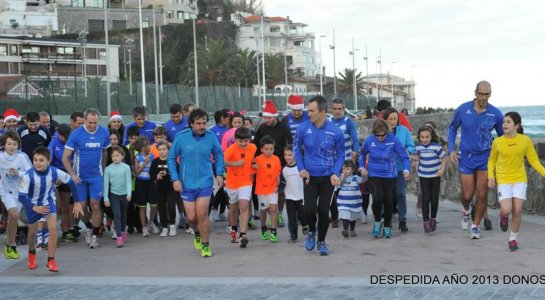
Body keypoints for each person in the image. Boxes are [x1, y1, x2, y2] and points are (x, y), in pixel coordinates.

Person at [448, 81, 503, 239]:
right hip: (467, 157)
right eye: (481, 93)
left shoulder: (496, 114)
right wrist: (452, 149)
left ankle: (475, 225)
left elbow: (502, 137)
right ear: (475, 93)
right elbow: (452, 128)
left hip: (485, 158)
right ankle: (466, 210)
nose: (484, 97)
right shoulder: (463, 109)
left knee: (481, 193)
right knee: (467, 195)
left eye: (487, 94)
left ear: (490, 94)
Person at [168, 108, 224, 257]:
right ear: (191, 123)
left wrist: (219, 173)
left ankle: (206, 245)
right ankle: (197, 233)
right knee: (191, 218)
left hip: (205, 182)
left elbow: (219, 154)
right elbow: (171, 158)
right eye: (198, 123)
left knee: (202, 214)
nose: (201, 126)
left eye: (204, 123)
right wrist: (175, 179)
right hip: (186, 184)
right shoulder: (181, 137)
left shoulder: (211, 137)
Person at [294, 95, 345, 255]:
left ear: (322, 112)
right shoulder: (303, 128)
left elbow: (341, 155)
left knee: (324, 211)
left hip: (328, 177)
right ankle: (311, 232)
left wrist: (336, 172)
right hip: (309, 177)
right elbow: (296, 149)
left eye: (311, 110)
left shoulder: (336, 132)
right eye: (308, 110)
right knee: (309, 210)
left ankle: (321, 241)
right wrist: (301, 168)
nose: (308, 113)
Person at [488, 112, 545, 251]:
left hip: (519, 178)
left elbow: (533, 160)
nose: (504, 124)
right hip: (503, 178)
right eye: (503, 122)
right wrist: (491, 176)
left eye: (508, 122)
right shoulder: (498, 141)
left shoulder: (525, 140)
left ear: (517, 125)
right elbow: (492, 160)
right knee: (507, 209)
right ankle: (503, 215)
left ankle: (513, 239)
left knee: (518, 210)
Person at [19, 146, 81, 272]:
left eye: (41, 160)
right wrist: (34, 207)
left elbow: (70, 182)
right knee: (32, 233)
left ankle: (51, 260)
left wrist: (77, 202)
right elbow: (21, 197)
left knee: (53, 230)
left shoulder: (54, 171)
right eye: (35, 160)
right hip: (33, 205)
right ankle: (31, 254)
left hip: (48, 203)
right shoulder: (28, 175)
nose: (37, 163)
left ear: (48, 161)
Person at [62, 108, 111, 249]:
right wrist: (72, 174)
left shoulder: (103, 132)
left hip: (96, 176)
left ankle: (95, 235)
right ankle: (89, 227)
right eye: (90, 122)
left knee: (95, 204)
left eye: (95, 123)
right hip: (80, 178)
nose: (92, 125)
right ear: (84, 120)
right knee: (81, 208)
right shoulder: (76, 134)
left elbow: (105, 151)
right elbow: (65, 158)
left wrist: (103, 170)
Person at [359, 119, 411, 239]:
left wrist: (406, 169)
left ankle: (387, 225)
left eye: (383, 135)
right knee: (377, 198)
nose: (380, 137)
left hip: (390, 174)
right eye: (378, 135)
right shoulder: (369, 140)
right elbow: (362, 154)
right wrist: (361, 167)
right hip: (374, 174)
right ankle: (377, 222)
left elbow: (403, 156)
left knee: (387, 200)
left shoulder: (393, 140)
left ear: (387, 132)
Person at [254, 100, 292, 228]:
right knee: (266, 191)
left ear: (275, 116)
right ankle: (270, 215)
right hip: (264, 166)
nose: (266, 120)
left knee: (280, 191)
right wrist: (254, 162)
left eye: (269, 117)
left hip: (280, 163)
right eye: (265, 117)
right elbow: (255, 146)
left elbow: (290, 145)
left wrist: (289, 161)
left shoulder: (284, 128)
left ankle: (279, 213)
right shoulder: (262, 128)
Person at [0, 131, 32, 259]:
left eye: (14, 144)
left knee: (14, 218)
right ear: (4, 144)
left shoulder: (22, 157)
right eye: (9, 144)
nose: (12, 146)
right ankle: (12, 245)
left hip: (21, 192)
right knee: (13, 214)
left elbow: (31, 173)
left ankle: (9, 244)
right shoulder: (0, 157)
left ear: (18, 145)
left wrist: (19, 173)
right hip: (6, 192)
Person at [383, 107, 415, 232]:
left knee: (400, 193)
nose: (393, 121)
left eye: (395, 118)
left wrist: (406, 152)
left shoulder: (404, 130)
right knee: (388, 195)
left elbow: (411, 146)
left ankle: (402, 219)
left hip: (401, 167)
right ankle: (388, 219)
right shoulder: (383, 132)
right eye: (390, 119)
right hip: (386, 169)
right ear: (386, 120)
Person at [329, 98, 360, 228]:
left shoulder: (348, 122)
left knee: (346, 189)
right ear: (332, 109)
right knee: (333, 189)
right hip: (331, 161)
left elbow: (355, 139)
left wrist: (355, 152)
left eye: (339, 109)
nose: (337, 111)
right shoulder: (328, 122)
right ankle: (335, 217)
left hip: (346, 161)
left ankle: (350, 214)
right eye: (334, 109)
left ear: (343, 109)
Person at [223, 127, 256, 247]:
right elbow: (223, 161)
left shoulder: (253, 148)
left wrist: (254, 166)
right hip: (232, 182)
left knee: (244, 205)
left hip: (246, 182)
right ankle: (233, 229)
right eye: (240, 141)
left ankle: (243, 235)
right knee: (233, 209)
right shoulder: (231, 149)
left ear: (249, 140)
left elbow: (253, 160)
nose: (243, 144)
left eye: (245, 141)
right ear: (235, 140)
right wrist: (236, 164)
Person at [414, 126, 447, 233]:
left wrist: (442, 169)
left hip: (435, 175)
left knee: (434, 198)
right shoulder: (418, 148)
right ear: (419, 137)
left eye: (427, 137)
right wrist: (411, 157)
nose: (424, 139)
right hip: (423, 176)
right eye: (422, 137)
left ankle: (433, 218)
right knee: (425, 198)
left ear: (431, 136)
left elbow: (444, 158)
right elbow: (415, 157)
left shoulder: (436, 147)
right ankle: (425, 221)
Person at [48, 124, 78, 243]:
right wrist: (55, 178)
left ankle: (66, 232)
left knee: (65, 207)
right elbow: (48, 162)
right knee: (56, 207)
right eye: (64, 137)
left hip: (67, 175)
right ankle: (52, 234)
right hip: (55, 176)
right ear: (59, 135)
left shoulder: (71, 142)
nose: (66, 139)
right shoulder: (53, 144)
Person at [254, 136, 282, 243]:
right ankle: (263, 228)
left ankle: (274, 230)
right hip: (261, 190)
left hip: (273, 189)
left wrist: (277, 184)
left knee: (273, 209)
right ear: (261, 149)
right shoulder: (257, 160)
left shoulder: (276, 159)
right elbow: (252, 173)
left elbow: (278, 174)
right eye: (266, 149)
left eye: (271, 149)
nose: (269, 151)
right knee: (263, 211)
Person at [103, 146, 132, 247]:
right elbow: (106, 184)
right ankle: (119, 236)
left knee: (123, 215)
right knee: (117, 215)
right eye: (113, 156)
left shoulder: (126, 167)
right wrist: (106, 198)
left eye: (117, 155)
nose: (115, 158)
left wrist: (129, 194)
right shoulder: (108, 169)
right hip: (113, 195)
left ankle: (123, 232)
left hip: (124, 195)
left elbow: (128, 181)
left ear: (122, 156)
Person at [150, 141, 179, 237]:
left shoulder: (172, 161)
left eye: (164, 149)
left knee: (171, 206)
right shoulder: (155, 161)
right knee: (161, 207)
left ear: (168, 150)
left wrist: (168, 174)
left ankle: (172, 225)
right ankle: (165, 227)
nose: (162, 151)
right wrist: (156, 176)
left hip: (171, 188)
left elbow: (177, 172)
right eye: (160, 149)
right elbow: (151, 174)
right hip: (160, 189)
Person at [133, 136, 159, 237]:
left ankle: (151, 222)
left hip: (151, 183)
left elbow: (154, 170)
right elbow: (137, 172)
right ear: (143, 147)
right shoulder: (137, 157)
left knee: (154, 205)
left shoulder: (152, 156)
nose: (150, 146)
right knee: (142, 207)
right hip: (141, 184)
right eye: (148, 144)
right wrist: (144, 162)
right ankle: (144, 227)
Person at [282, 144, 307, 244]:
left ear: (296, 155)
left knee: (303, 216)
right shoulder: (284, 170)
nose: (287, 157)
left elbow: (307, 180)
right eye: (285, 155)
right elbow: (283, 182)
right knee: (291, 217)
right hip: (289, 197)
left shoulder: (301, 168)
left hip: (301, 197)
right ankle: (293, 236)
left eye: (290, 155)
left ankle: (305, 225)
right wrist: (278, 187)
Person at [337, 160, 364, 238]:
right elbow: (338, 186)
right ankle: (345, 230)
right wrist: (341, 178)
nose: (345, 170)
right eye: (344, 169)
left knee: (353, 217)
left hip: (354, 202)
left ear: (353, 170)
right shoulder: (341, 177)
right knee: (345, 215)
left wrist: (364, 175)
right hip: (343, 202)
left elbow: (363, 180)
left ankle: (352, 229)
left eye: (348, 169)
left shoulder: (355, 178)